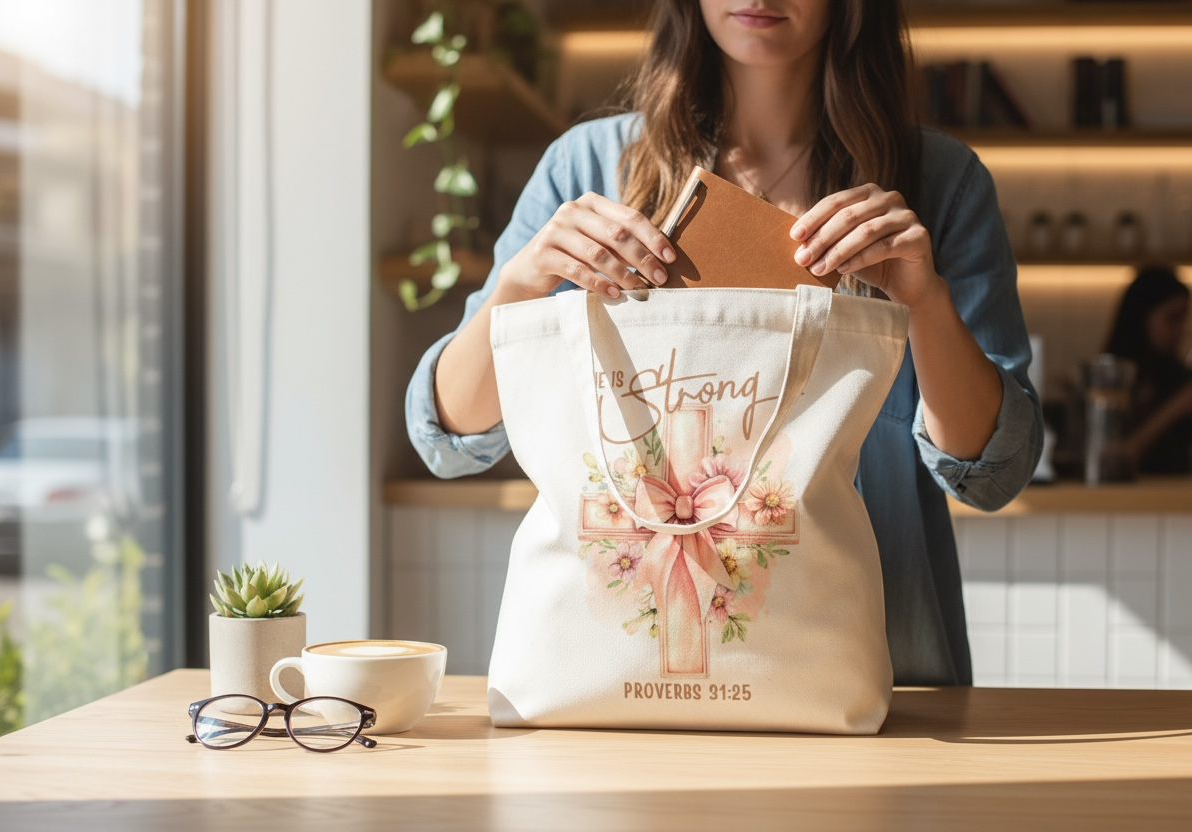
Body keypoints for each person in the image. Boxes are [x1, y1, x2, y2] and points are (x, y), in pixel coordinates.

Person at [406, 0, 1042, 686]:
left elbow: (993, 472)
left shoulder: (939, 185)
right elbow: (449, 437)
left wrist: (926, 303)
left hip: (887, 680)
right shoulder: (586, 168)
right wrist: (519, 285)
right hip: (627, 684)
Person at [1104, 265, 1192, 474]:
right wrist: (1176, 408)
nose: (1182, 330)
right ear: (1140, 317)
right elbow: (1114, 459)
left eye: (1184, 319)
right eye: (1173, 318)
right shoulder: (1110, 378)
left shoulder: (1174, 377)